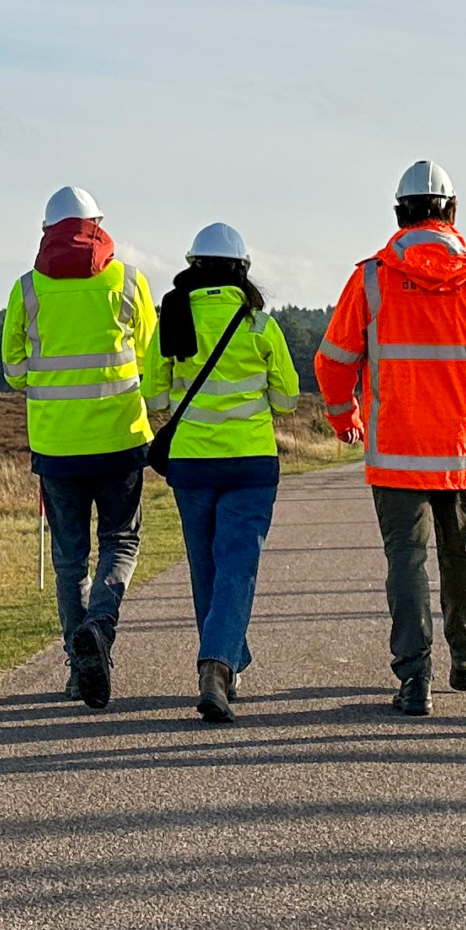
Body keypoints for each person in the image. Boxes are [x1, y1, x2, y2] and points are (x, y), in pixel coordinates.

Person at [314, 160, 466, 716]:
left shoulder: (371, 277)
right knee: (462, 554)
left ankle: (413, 678)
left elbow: (333, 362)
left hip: (395, 455)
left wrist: (345, 417)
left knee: (407, 565)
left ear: (399, 212)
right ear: (452, 210)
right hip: (462, 455)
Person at [2, 186, 155, 710]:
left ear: (47, 232)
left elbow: (14, 370)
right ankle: (100, 628)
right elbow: (152, 362)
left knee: (70, 561)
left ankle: (77, 667)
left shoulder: (27, 290)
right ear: (98, 226)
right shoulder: (130, 281)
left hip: (56, 446)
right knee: (122, 541)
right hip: (121, 441)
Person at [142, 223, 302, 724]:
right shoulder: (259, 324)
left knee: (206, 566)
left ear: (193, 265)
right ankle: (217, 665)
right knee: (237, 565)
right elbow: (288, 398)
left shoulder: (171, 318)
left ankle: (228, 661)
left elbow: (155, 396)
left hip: (190, 463)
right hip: (251, 463)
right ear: (242, 269)